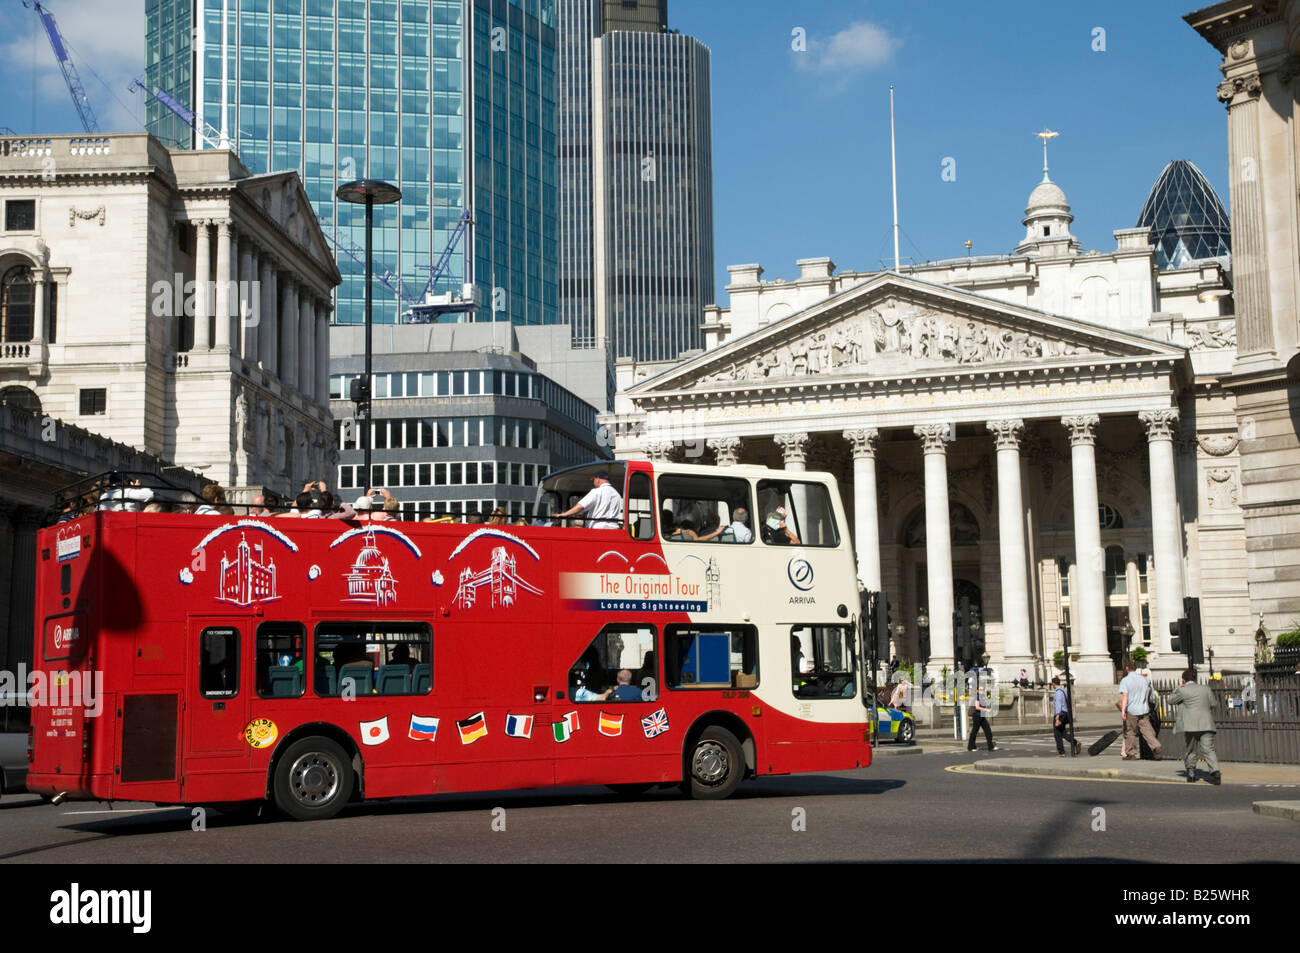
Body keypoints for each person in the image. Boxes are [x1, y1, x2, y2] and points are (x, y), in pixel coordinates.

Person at [1171, 668, 1220, 784]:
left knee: (1191, 749)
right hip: (1206, 723)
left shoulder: (1183, 690)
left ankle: (1191, 773)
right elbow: (1213, 703)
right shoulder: (1206, 689)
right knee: (1209, 749)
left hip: (1190, 725)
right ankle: (1215, 771)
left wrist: (1177, 688)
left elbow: (1170, 700)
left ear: (1184, 679)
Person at [1118, 659, 1162, 761]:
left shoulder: (1125, 680)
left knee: (1130, 732)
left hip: (1131, 710)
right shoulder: (1144, 679)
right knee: (1147, 731)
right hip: (1144, 709)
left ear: (1127, 668)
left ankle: (1131, 753)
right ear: (1136, 668)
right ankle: (1156, 746)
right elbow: (1150, 693)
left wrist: (1123, 710)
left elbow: (1125, 696)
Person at [557, 470, 623, 529]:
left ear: (597, 479)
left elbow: (580, 506)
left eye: (593, 480)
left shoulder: (597, 492)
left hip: (598, 528)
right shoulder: (617, 495)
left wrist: (564, 514)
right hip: (614, 529)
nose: (593, 482)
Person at [1051, 676, 1081, 757]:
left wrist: (1057, 717)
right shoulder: (1064, 691)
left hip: (1060, 714)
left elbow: (1058, 705)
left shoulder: (1058, 692)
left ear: (1053, 684)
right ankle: (1075, 742)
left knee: (1057, 734)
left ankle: (1062, 752)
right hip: (1066, 714)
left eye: (1052, 684)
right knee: (1063, 732)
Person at [966, 685, 995, 752]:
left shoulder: (982, 697)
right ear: (977, 691)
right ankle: (971, 747)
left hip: (981, 716)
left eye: (982, 689)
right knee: (974, 731)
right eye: (980, 690)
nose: (982, 691)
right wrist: (986, 709)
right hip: (977, 716)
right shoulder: (977, 697)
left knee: (988, 730)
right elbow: (977, 707)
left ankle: (990, 747)